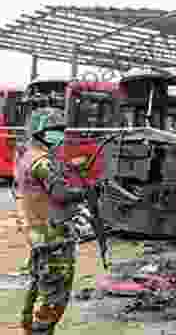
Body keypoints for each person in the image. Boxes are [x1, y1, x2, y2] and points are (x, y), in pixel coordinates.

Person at [13, 107, 90, 335]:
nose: (59, 134)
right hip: (53, 237)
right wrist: (87, 191)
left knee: (39, 284)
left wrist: (71, 167)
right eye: (54, 130)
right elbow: (60, 194)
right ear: (39, 132)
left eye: (60, 130)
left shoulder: (27, 156)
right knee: (56, 297)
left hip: (38, 234)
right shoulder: (42, 161)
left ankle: (29, 327)